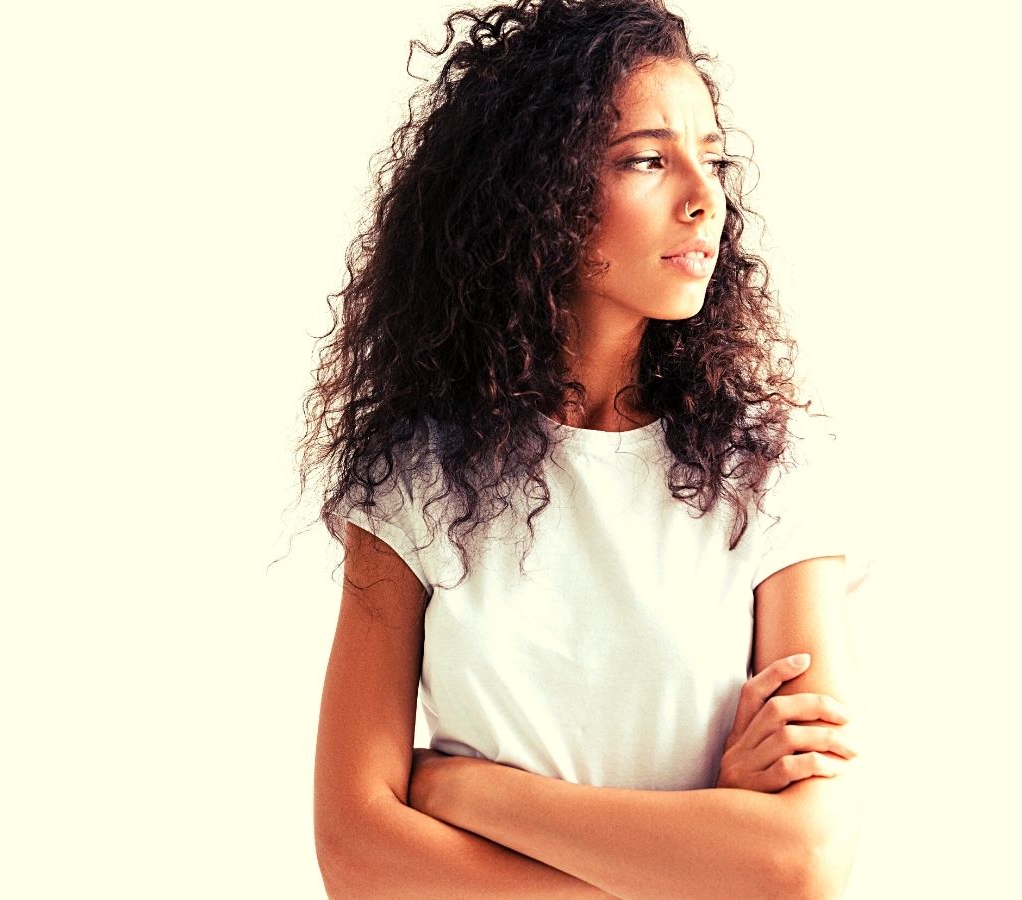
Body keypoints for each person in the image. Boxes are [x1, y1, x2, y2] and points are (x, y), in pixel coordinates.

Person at [301, 1, 869, 897]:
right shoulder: (416, 479)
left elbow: (804, 862)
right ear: (537, 192)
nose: (704, 196)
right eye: (647, 159)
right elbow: (357, 855)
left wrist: (464, 791)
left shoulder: (772, 468)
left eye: (713, 157)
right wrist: (695, 861)